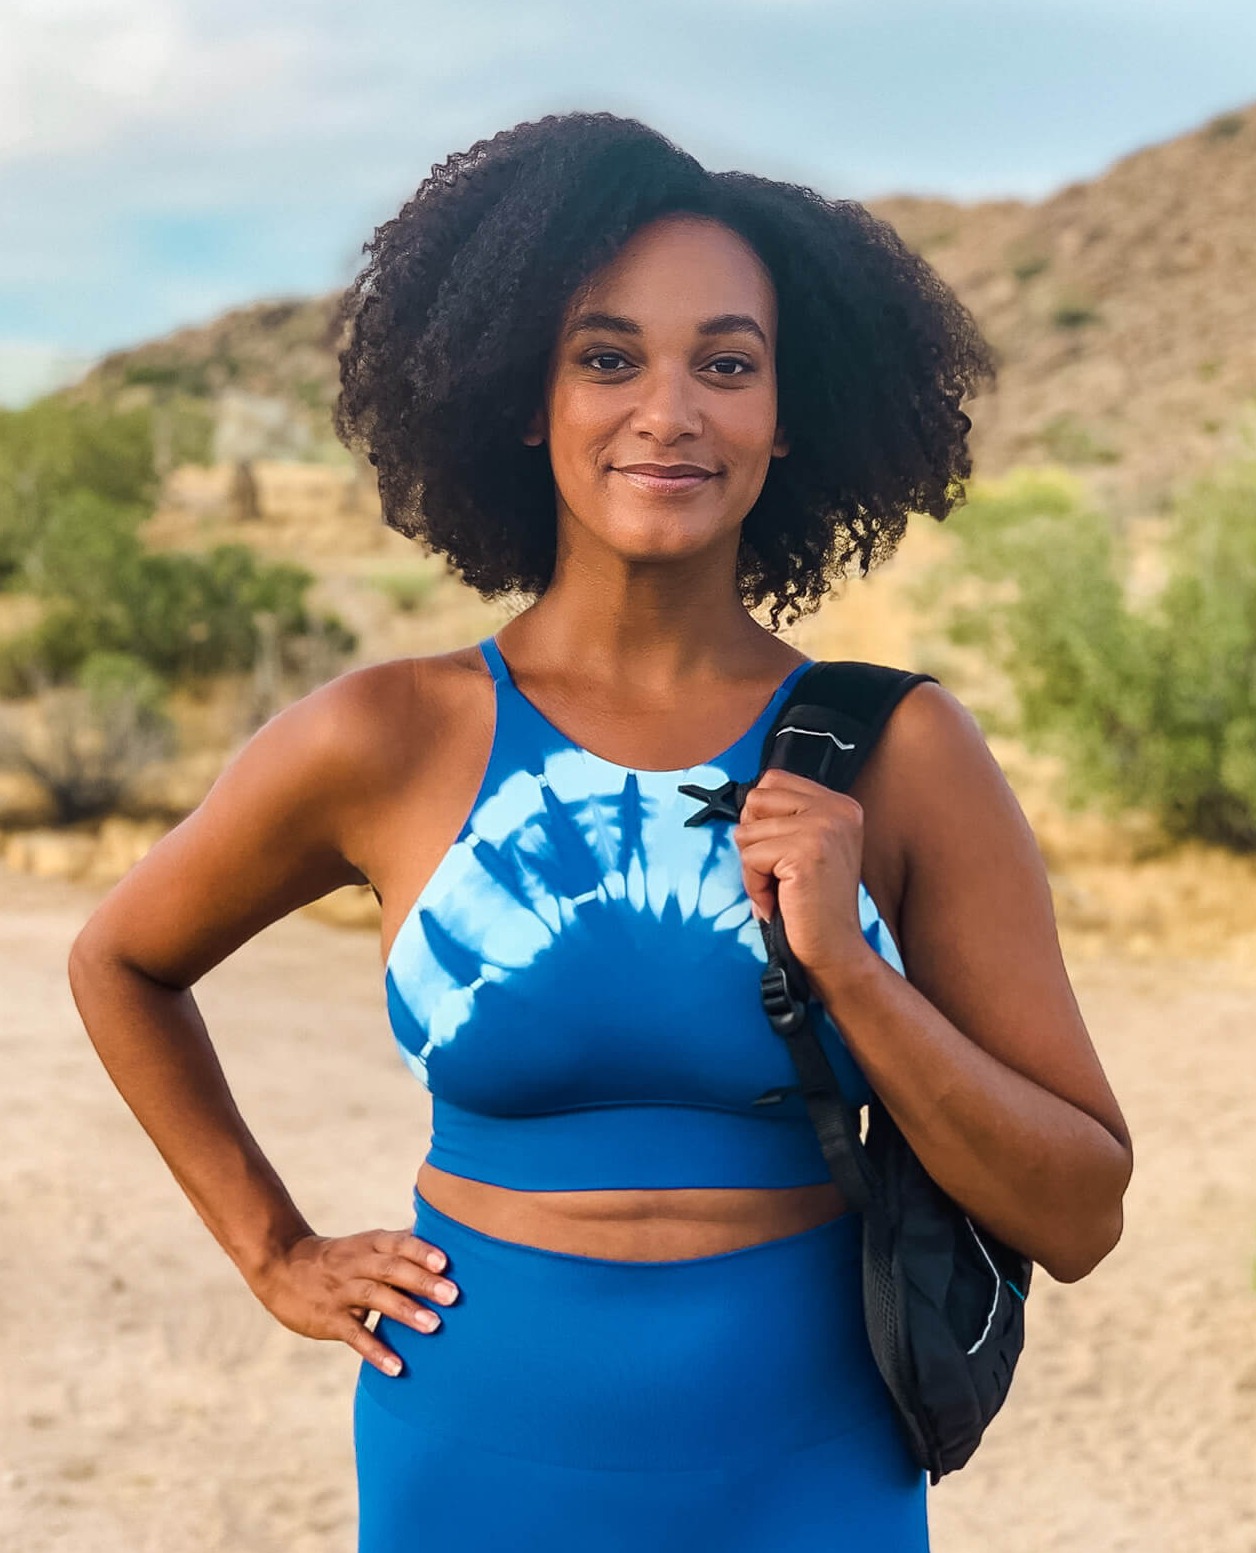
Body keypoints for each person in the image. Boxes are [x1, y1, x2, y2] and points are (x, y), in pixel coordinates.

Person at [69, 111, 1134, 1551]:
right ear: (526, 397)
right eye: (607, 355)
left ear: (789, 410)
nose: (670, 410)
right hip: (475, 1450)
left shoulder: (902, 750)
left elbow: (1078, 1211)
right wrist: (275, 1249)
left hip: (810, 1456)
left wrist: (855, 976)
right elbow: (122, 959)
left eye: (729, 362)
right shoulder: (390, 736)